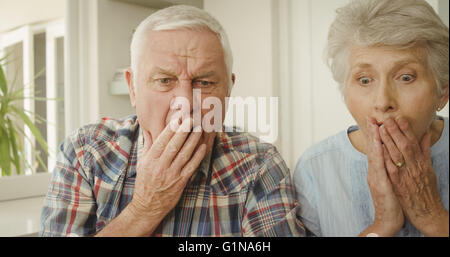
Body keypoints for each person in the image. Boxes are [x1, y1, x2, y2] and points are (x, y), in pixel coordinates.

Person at [40, 5, 304, 237]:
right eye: (164, 81)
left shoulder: (260, 165)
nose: (185, 102)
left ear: (228, 91)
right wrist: (144, 208)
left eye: (205, 82)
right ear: (133, 88)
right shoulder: (85, 153)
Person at [294, 0, 449, 237]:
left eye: (406, 77)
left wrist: (434, 218)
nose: (382, 101)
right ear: (345, 93)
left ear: (443, 93)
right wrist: (382, 226)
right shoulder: (315, 169)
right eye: (365, 80)